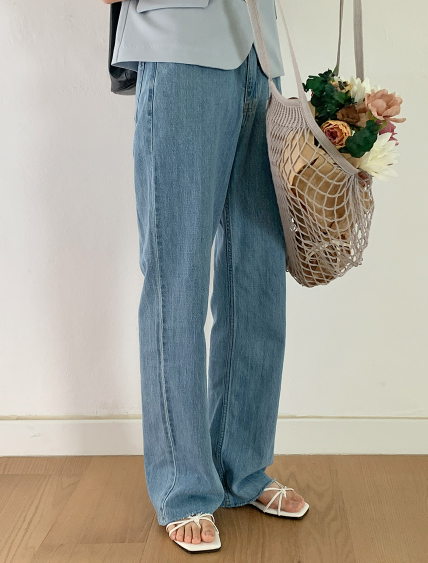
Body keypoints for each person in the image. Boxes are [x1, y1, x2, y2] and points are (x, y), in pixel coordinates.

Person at [102, 0, 308, 552]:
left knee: (258, 279)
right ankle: (184, 487)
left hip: (260, 57)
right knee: (179, 280)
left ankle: (241, 468)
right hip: (179, 48)